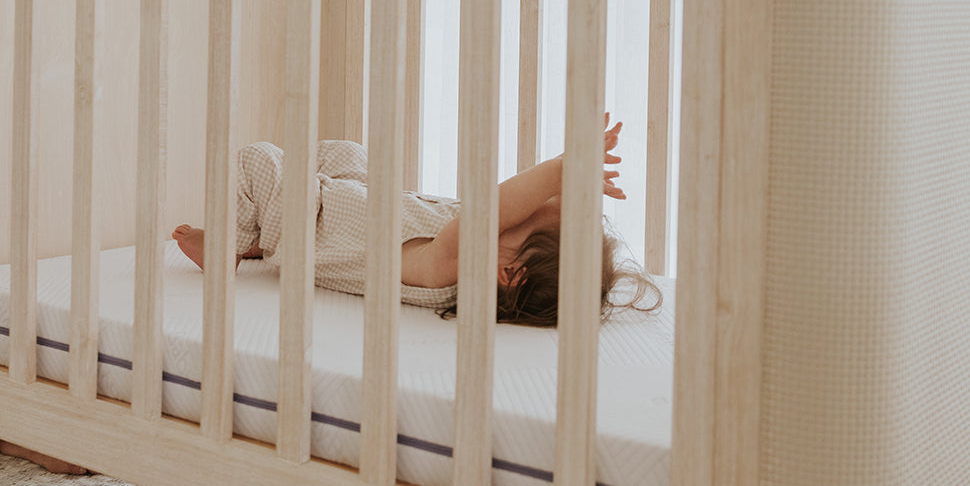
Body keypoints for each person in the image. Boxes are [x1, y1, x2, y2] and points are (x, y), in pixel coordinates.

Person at [173, 118, 662, 327]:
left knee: (259, 160)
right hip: (346, 200)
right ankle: (261, 232)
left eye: (532, 215)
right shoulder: (477, 249)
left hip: (309, 229)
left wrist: (562, 165)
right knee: (351, 152)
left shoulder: (447, 264)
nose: (531, 202)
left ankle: (229, 246)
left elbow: (500, 204)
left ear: (508, 272)